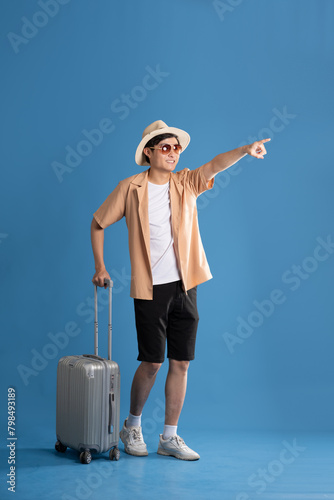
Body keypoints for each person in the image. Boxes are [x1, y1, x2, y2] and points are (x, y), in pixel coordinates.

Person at [91, 120, 270, 461]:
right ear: (149, 152)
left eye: (177, 148)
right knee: (152, 362)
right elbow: (98, 222)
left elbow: (214, 164)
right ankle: (132, 426)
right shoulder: (130, 188)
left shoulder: (186, 182)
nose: (173, 153)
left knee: (182, 362)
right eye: (166, 147)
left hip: (186, 285)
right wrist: (100, 267)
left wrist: (245, 150)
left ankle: (169, 437)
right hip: (150, 288)